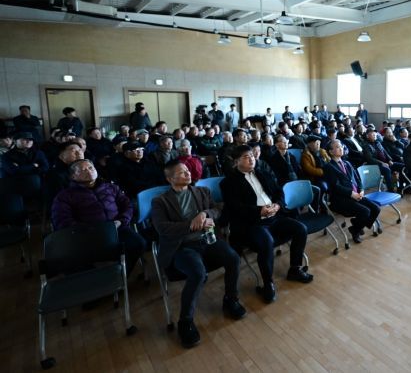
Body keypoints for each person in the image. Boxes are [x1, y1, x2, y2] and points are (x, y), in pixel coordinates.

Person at [151, 162, 247, 348]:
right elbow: (163, 229)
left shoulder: (202, 191)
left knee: (233, 259)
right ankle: (185, 321)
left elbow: (217, 209)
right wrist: (191, 224)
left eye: (188, 170)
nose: (188, 174)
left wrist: (205, 214)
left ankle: (230, 300)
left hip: (207, 240)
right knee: (198, 273)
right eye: (182, 172)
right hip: (182, 247)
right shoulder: (160, 201)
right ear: (170, 179)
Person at [221, 146, 313, 304]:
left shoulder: (262, 173)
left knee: (300, 229)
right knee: (267, 242)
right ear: (236, 162)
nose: (251, 159)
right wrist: (259, 211)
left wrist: (277, 205)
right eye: (246, 157)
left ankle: (295, 269)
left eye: (252, 156)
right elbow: (235, 208)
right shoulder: (228, 182)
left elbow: (279, 191)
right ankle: (268, 283)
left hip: (274, 216)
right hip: (252, 223)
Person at [51, 159, 145, 275]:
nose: (89, 171)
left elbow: (127, 205)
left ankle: (120, 276)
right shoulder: (64, 196)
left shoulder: (110, 187)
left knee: (138, 244)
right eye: (83, 170)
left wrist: (121, 221)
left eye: (91, 168)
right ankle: (99, 280)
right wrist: (91, 230)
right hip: (88, 236)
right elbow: (62, 221)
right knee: (74, 263)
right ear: (73, 176)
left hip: (117, 229)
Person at [323, 139, 380, 244]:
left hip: (356, 195)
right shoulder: (328, 167)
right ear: (330, 152)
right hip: (341, 199)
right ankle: (356, 230)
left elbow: (357, 179)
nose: (341, 148)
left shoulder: (347, 163)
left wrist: (361, 190)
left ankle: (355, 226)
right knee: (365, 211)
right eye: (337, 147)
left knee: (376, 209)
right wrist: (351, 193)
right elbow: (335, 186)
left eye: (341, 146)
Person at [1, 131, 49, 197]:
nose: (29, 141)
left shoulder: (38, 153)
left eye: (31, 140)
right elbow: (13, 171)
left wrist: (21, 167)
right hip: (17, 186)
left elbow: (46, 167)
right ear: (15, 141)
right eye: (25, 139)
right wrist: (34, 166)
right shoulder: (7, 156)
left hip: (39, 185)